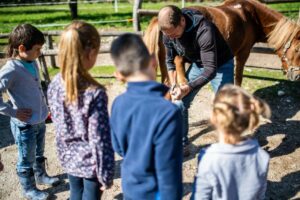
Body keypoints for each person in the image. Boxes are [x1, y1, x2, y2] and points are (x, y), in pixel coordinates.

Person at [110, 33, 183, 200]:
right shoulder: (168, 112)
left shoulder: (118, 104)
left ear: (119, 73)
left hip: (130, 187)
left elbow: (119, 147)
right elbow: (168, 168)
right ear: (153, 61)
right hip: (158, 192)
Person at [47, 21, 114, 200]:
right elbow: (100, 140)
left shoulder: (54, 84)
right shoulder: (94, 93)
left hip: (67, 156)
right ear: (91, 52)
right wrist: (106, 174)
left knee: (75, 194)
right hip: (90, 163)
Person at [157, 5, 234, 155]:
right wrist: (174, 85)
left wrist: (188, 87)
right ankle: (182, 143)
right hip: (199, 64)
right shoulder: (167, 31)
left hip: (220, 64)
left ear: (182, 21)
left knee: (224, 106)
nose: (171, 38)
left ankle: (229, 147)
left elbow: (210, 70)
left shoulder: (204, 30)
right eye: (168, 35)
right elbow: (170, 60)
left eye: (174, 34)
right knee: (180, 102)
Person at [0, 24, 59, 200]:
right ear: (21, 48)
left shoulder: (31, 62)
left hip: (39, 120)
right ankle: (29, 189)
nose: (40, 52)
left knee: (39, 152)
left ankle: (41, 175)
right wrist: (12, 111)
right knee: (26, 157)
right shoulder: (10, 70)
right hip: (24, 124)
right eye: (37, 49)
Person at [192, 84, 271, 200]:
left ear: (214, 118)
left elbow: (200, 197)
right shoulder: (262, 156)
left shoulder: (208, 158)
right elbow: (260, 194)